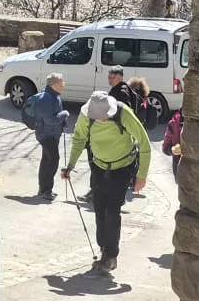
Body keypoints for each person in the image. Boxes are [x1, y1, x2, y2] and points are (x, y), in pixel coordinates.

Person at [61, 90, 150, 274]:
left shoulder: (123, 113)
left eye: (105, 117)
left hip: (123, 167)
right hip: (99, 166)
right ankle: (103, 249)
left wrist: (141, 176)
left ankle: (111, 256)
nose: (102, 120)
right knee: (99, 209)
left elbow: (144, 143)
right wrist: (70, 166)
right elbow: (79, 138)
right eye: (99, 117)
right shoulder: (87, 115)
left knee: (112, 211)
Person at [26, 73, 69, 199]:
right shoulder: (46, 98)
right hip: (46, 135)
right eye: (62, 81)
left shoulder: (54, 96)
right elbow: (50, 120)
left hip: (52, 134)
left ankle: (44, 189)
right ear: (54, 84)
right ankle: (46, 190)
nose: (64, 83)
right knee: (53, 160)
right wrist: (64, 114)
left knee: (46, 160)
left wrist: (62, 119)